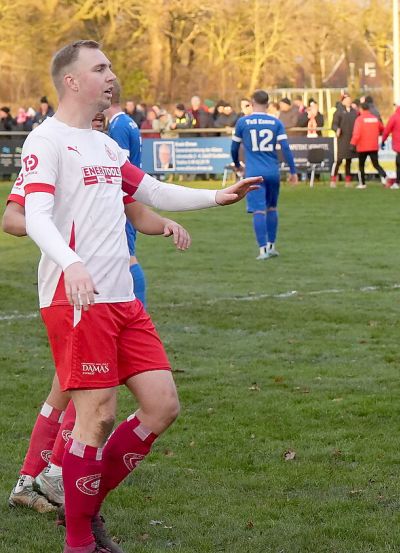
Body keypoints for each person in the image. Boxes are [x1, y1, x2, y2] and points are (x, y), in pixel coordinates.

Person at [20, 40, 258, 553]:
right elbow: (33, 216)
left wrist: (217, 197)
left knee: (162, 406)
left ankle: (78, 508)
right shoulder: (46, 140)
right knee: (97, 415)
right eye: (100, 68)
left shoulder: (106, 145)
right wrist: (72, 262)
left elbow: (149, 190)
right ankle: (80, 541)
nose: (111, 75)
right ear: (72, 81)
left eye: (110, 65)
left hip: (122, 299)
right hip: (76, 299)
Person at [4, 112, 192, 517]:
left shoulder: (105, 158)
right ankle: (39, 475)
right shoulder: (54, 153)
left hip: (117, 280)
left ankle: (48, 473)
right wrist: (50, 226)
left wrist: (165, 225)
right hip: (75, 288)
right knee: (76, 391)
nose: (100, 126)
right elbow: (13, 218)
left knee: (82, 390)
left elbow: (137, 207)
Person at [232, 90, 299, 259]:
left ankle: (262, 250)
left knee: (258, 211)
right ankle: (272, 246)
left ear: (252, 103)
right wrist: (293, 171)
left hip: (254, 172)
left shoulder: (243, 122)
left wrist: (238, 165)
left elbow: (234, 148)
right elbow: (285, 148)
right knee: (272, 208)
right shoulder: (275, 122)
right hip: (272, 172)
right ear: (268, 105)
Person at [105, 79, 150, 305]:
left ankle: (138, 310)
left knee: (128, 256)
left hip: (125, 197)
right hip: (130, 195)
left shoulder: (119, 125)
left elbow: (118, 166)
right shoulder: (127, 122)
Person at [350, 101, 388, 189]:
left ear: (361, 109)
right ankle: (384, 177)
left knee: (361, 165)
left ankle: (362, 183)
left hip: (362, 146)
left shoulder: (359, 119)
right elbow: (382, 129)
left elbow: (357, 134)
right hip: (373, 146)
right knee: (376, 164)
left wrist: (352, 144)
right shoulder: (375, 118)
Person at [330, 94, 359, 187]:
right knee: (339, 160)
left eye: (349, 99)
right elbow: (334, 124)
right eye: (346, 100)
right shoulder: (338, 112)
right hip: (342, 140)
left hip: (351, 139)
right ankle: (333, 179)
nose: (348, 101)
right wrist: (337, 129)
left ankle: (348, 180)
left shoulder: (354, 112)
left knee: (349, 160)